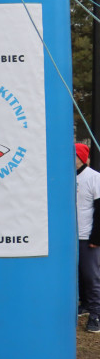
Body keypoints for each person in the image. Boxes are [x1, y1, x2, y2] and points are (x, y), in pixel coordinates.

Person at [75, 143, 100, 333]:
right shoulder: (65, 177)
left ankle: (95, 315)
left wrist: (96, 236)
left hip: (87, 237)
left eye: (73, 156)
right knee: (76, 275)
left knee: (92, 277)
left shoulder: (94, 177)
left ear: (81, 158)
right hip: (69, 238)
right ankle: (82, 305)